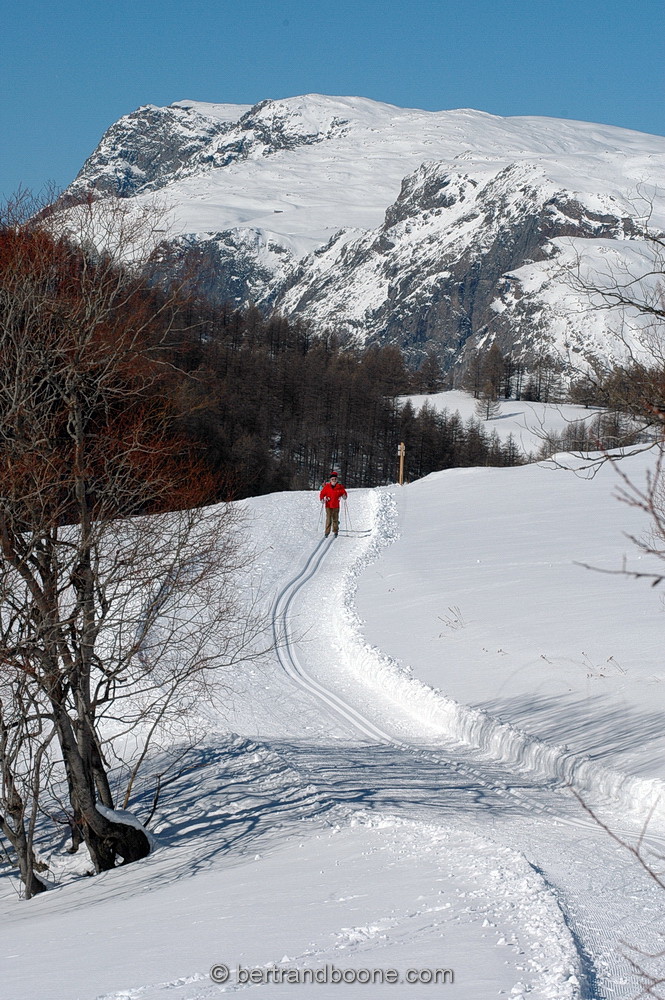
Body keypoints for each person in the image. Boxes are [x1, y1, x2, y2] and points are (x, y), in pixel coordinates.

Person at [319, 471, 347, 537]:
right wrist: (321, 499)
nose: (334, 480)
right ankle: (327, 532)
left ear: (337, 480)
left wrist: (344, 496)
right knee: (328, 519)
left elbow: (344, 493)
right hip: (328, 505)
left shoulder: (340, 487)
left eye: (335, 479)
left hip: (336, 506)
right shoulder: (327, 487)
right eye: (332, 479)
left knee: (335, 519)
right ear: (330, 480)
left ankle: (335, 531)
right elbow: (322, 493)